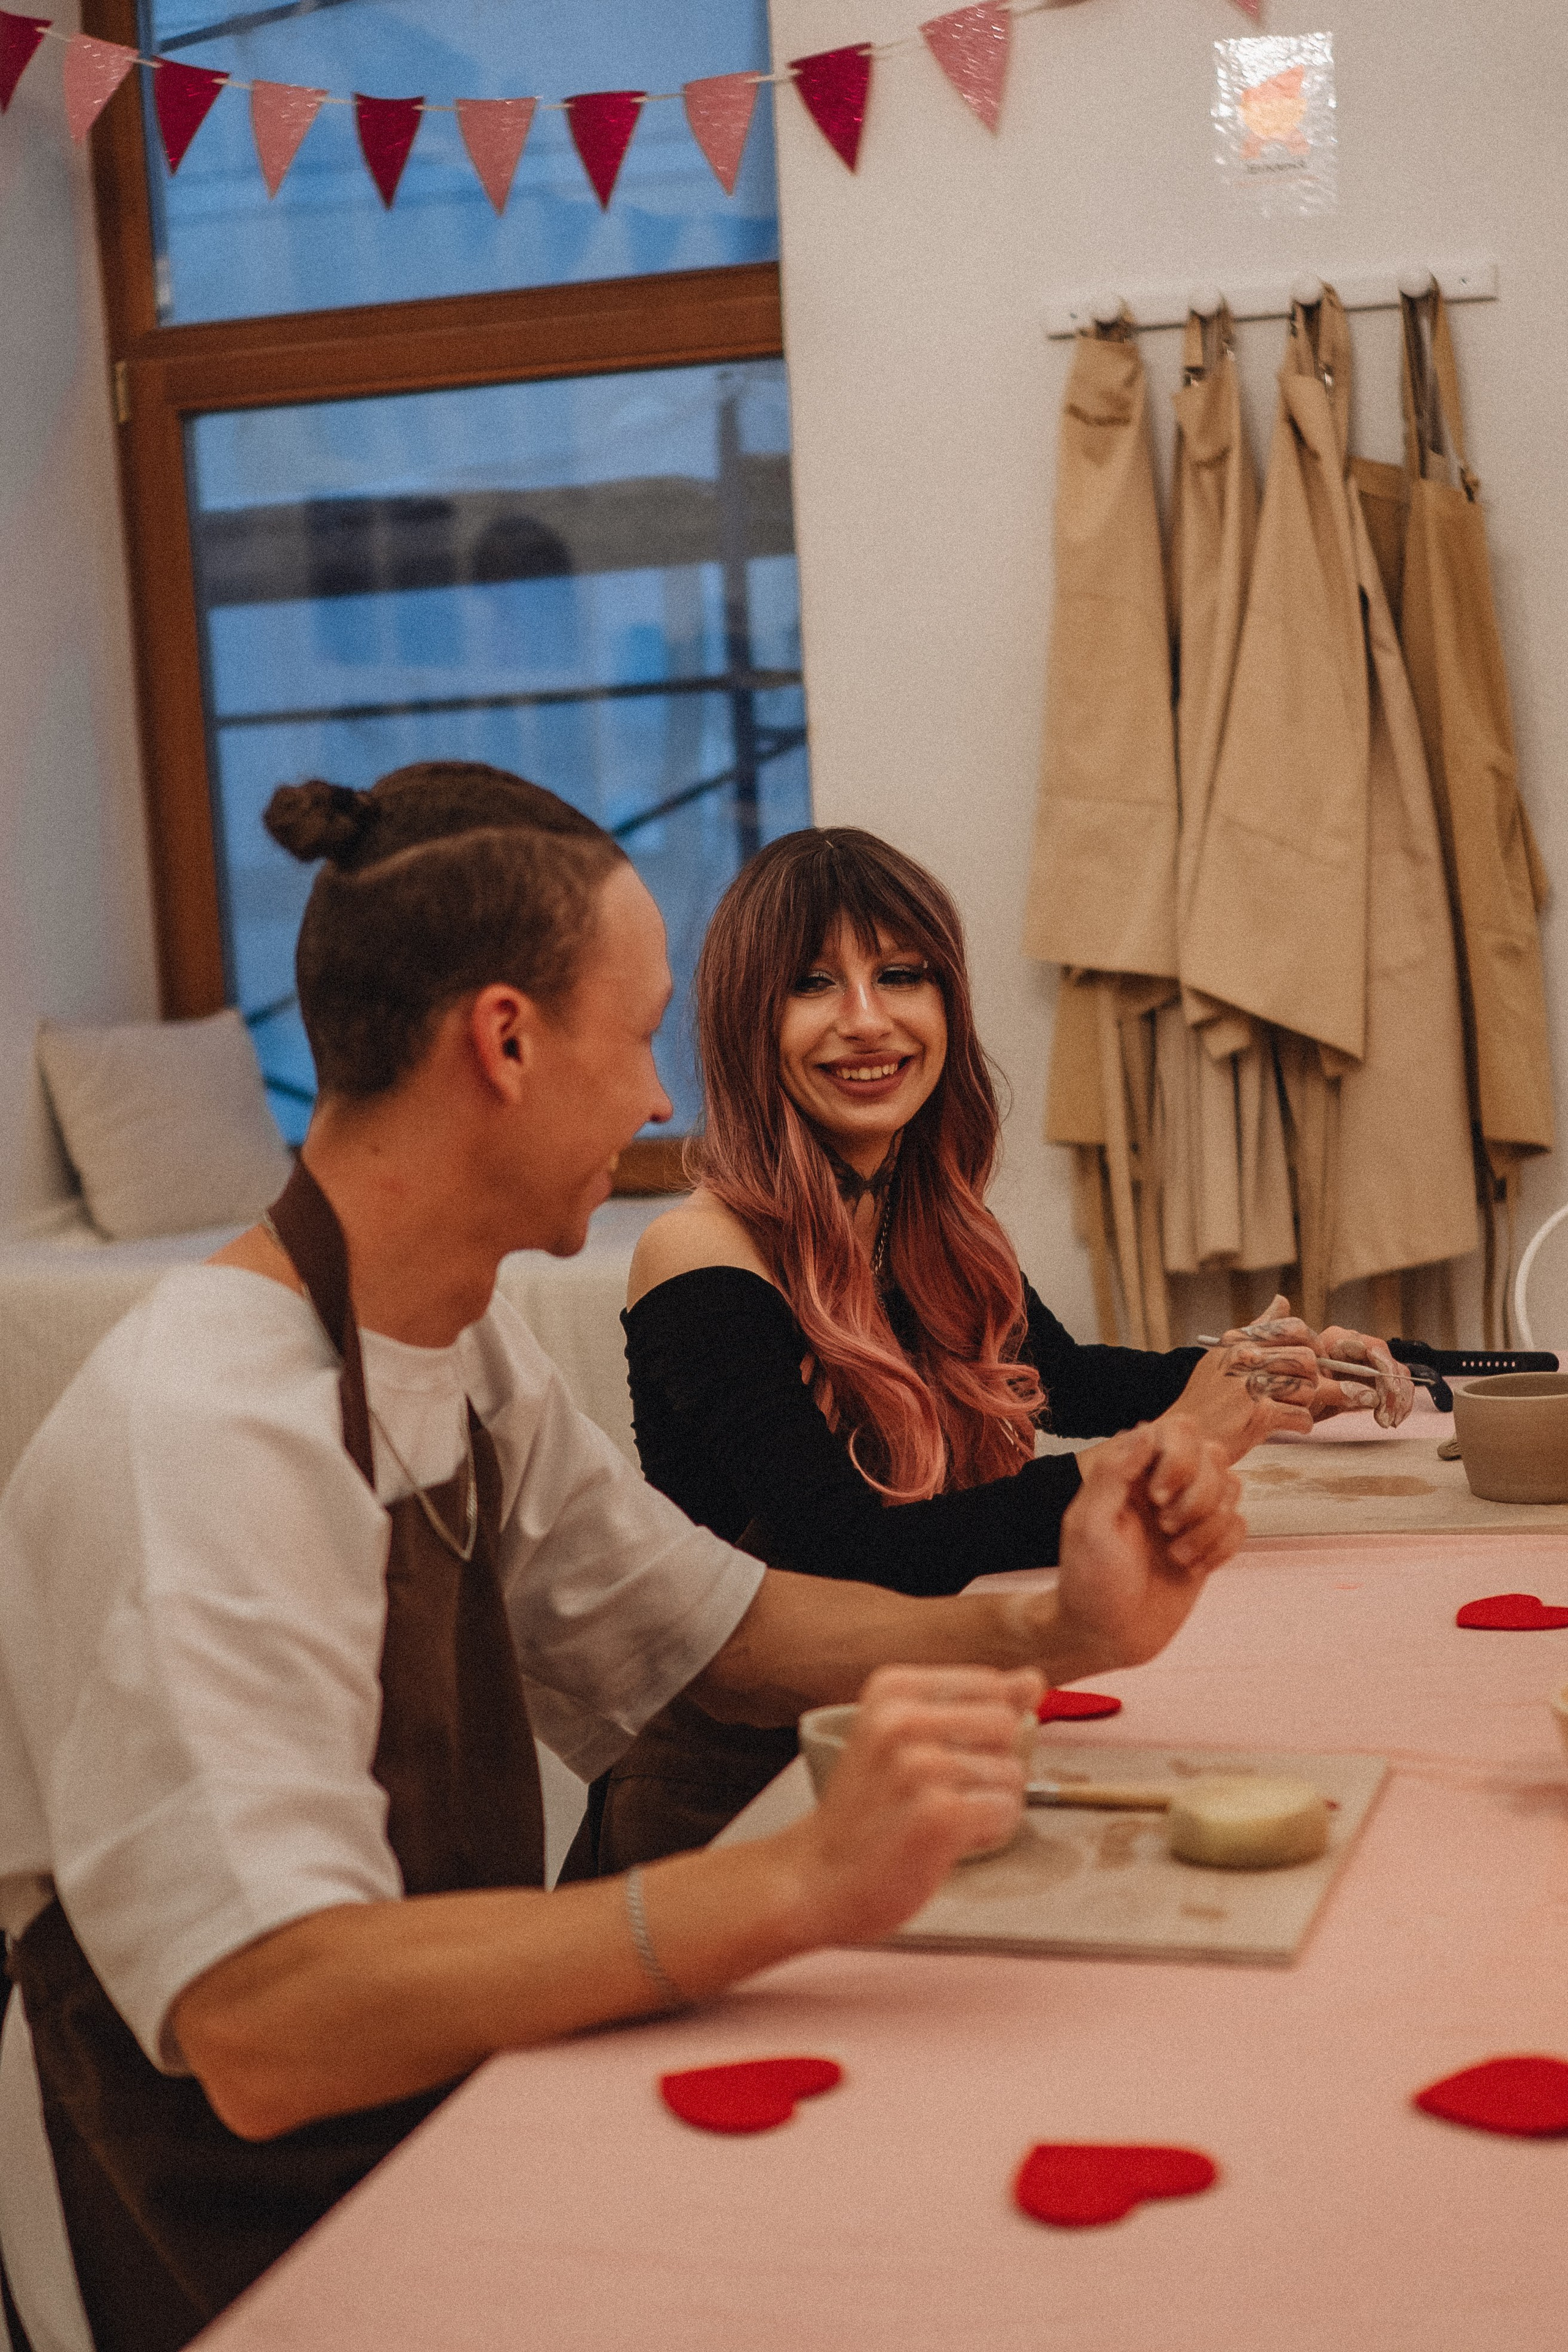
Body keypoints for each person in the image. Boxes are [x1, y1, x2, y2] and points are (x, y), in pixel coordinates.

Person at [0, 765, 1244, 2352]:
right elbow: (269, 2020)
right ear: (506, 1043)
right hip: (244, 2229)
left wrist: (1058, 1630)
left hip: (439, 2117)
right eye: (642, 1034)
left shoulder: (461, 1350)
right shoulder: (202, 1433)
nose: (662, 1101)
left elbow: (722, 1629)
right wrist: (795, 1881)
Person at [597, 826, 1411, 1867]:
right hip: (737, 1792)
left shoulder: (926, 1220)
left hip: (914, 1734)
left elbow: (1065, 1382)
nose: (867, 1019)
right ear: (747, 1020)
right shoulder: (698, 1255)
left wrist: (1267, 1370)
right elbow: (846, 1549)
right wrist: (1169, 1447)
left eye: (902, 975)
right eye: (813, 984)